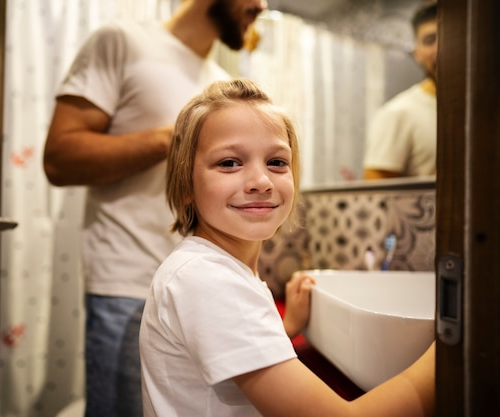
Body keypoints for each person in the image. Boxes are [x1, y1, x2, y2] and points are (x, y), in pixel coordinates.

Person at [139, 78, 435, 417]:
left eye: (277, 162)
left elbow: (226, 349)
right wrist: (451, 352)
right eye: (229, 163)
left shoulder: (208, 268)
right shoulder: (207, 281)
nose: (261, 182)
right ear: (186, 182)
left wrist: (285, 327)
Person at [43, 1, 267, 416]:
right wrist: (175, 139)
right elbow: (59, 158)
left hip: (205, 291)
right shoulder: (124, 41)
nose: (262, 5)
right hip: (128, 286)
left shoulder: (220, 83)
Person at [363, 1, 438, 180]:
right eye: (430, 40)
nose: (440, 48)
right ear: (416, 53)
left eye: (451, 36)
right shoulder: (399, 113)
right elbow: (376, 196)